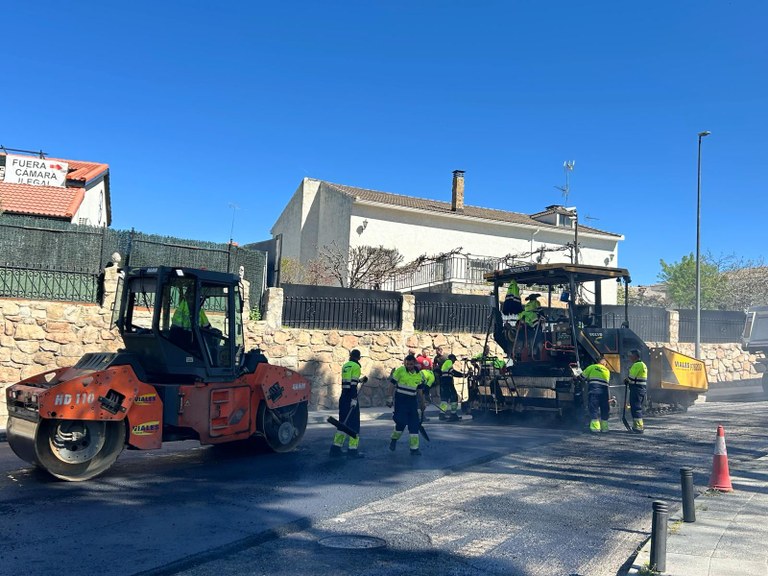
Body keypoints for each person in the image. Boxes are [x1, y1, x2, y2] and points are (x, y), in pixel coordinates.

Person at [387, 354, 428, 455]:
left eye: (411, 364)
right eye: (407, 364)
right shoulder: (400, 371)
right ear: (405, 363)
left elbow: (420, 391)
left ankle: (414, 449)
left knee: (414, 425)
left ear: (414, 363)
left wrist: (422, 403)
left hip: (412, 402)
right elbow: (392, 384)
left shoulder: (419, 375)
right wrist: (389, 398)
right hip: (400, 401)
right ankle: (393, 439)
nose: (409, 366)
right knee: (401, 423)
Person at [330, 349, 368, 458]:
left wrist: (361, 380)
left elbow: (349, 382)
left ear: (350, 356)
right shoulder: (356, 367)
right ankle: (352, 450)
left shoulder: (346, 365)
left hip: (343, 397)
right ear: (359, 358)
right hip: (351, 397)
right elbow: (353, 385)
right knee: (354, 423)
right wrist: (354, 399)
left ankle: (336, 448)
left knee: (343, 422)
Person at [582, 356, 611, 434]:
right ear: (603, 363)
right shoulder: (607, 371)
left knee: (594, 409)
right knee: (604, 410)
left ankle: (595, 429)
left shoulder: (591, 367)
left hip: (594, 392)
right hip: (604, 393)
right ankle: (605, 428)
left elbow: (582, 377)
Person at [625, 349, 648, 434]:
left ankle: (638, 427)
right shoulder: (643, 364)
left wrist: (626, 380)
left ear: (635, 356)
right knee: (636, 407)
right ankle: (636, 427)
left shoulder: (637, 365)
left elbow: (631, 378)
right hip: (641, 389)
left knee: (636, 408)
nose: (629, 357)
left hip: (636, 389)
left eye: (630, 355)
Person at [439, 353, 465, 421]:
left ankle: (441, 414)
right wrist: (462, 375)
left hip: (443, 381)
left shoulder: (445, 363)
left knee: (445, 398)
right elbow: (452, 372)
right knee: (454, 397)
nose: (454, 362)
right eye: (454, 360)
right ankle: (453, 414)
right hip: (447, 381)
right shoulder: (449, 361)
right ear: (452, 358)